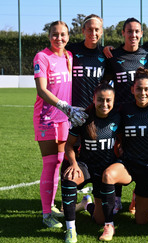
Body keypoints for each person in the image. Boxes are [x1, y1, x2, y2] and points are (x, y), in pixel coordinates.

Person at [98, 67, 148, 241]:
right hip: (128, 165)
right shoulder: (124, 109)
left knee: (142, 221)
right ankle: (109, 225)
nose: (142, 92)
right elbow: (114, 130)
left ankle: (138, 197)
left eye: (146, 89)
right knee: (108, 175)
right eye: (138, 88)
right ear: (132, 89)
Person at [33, 20, 87, 228]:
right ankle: (46, 214)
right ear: (49, 36)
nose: (59, 38)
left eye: (63, 34)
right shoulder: (42, 57)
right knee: (50, 163)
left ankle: (51, 206)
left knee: (59, 163)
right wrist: (65, 106)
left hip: (65, 118)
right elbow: (41, 90)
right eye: (55, 34)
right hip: (47, 118)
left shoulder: (68, 56)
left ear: (68, 37)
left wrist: (68, 112)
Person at [102, 18, 148, 212]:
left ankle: (136, 196)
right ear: (122, 33)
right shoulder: (113, 56)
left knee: (142, 155)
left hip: (143, 115)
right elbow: (105, 81)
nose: (133, 35)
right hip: (120, 116)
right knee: (116, 155)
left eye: (137, 31)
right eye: (129, 31)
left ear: (141, 34)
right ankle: (115, 198)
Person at [61, 82, 120, 243]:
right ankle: (71, 228)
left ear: (114, 101)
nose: (105, 104)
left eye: (109, 100)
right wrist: (73, 163)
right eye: (100, 100)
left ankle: (87, 205)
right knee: (69, 178)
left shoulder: (118, 117)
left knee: (99, 220)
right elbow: (69, 144)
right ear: (93, 99)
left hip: (105, 170)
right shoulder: (83, 118)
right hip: (86, 166)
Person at [61, 14, 106, 214]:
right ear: (83, 31)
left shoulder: (105, 55)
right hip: (73, 116)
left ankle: (106, 198)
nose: (93, 33)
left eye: (97, 30)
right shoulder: (72, 52)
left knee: (100, 156)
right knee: (68, 156)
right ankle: (67, 201)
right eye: (90, 29)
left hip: (96, 117)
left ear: (102, 32)